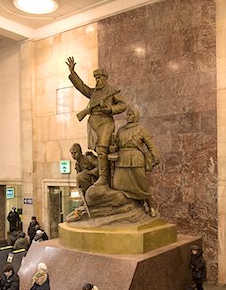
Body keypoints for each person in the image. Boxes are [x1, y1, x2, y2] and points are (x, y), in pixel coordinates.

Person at [66, 56, 127, 186]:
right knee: (98, 150)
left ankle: (104, 177)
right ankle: (102, 174)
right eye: (96, 78)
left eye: (100, 78)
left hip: (105, 122)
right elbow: (82, 87)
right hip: (93, 122)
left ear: (105, 78)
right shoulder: (94, 92)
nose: (97, 80)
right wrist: (73, 73)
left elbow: (123, 105)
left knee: (102, 149)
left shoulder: (111, 91)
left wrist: (110, 108)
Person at [112, 106, 159, 217]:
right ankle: (130, 206)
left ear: (136, 116)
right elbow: (117, 145)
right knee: (118, 184)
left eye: (131, 114)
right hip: (122, 160)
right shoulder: (121, 130)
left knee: (142, 184)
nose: (128, 116)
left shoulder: (140, 129)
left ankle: (151, 205)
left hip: (136, 159)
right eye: (127, 114)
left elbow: (150, 145)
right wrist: (112, 148)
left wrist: (155, 157)